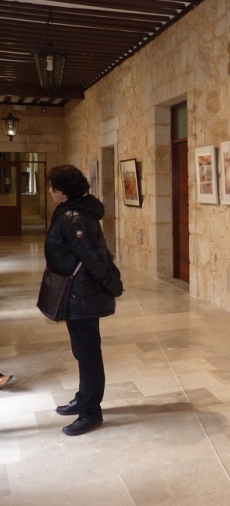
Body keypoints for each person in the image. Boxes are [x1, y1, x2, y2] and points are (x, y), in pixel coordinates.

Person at [45, 165, 123, 436]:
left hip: (83, 294)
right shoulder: (72, 212)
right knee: (82, 351)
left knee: (88, 354)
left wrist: (113, 285)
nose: (50, 192)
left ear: (61, 191)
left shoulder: (76, 217)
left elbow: (93, 257)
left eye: (52, 187)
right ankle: (84, 397)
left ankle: (91, 411)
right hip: (77, 293)